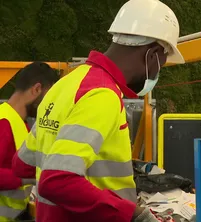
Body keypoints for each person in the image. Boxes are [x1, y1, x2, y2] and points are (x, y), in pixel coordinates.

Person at [12, 0, 184, 221]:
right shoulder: (102, 93)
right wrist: (133, 214)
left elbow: (22, 164)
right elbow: (56, 180)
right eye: (163, 62)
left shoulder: (65, 84)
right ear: (152, 55)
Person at [0, 62, 58, 221]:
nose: (49, 107)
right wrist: (31, 178)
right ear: (36, 89)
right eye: (49, 99)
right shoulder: (4, 122)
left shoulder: (19, 123)